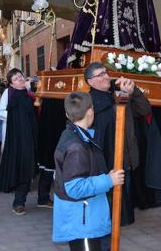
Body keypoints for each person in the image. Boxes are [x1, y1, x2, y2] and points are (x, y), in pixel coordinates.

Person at [84, 62, 161, 228]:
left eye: (106, 73)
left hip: (126, 155)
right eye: (100, 75)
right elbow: (111, 119)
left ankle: (116, 223)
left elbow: (144, 110)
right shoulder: (89, 103)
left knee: (124, 198)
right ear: (90, 81)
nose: (106, 76)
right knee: (109, 202)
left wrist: (134, 91)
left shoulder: (118, 93)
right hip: (105, 161)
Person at [52, 92, 125, 251]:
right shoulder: (76, 146)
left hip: (85, 215)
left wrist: (106, 175)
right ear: (90, 111)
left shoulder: (75, 135)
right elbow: (74, 187)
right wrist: (109, 180)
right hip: (83, 221)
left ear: (67, 113)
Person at [0, 68, 38, 215]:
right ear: (11, 84)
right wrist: (16, 118)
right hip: (16, 137)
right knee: (20, 167)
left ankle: (21, 200)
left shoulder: (30, 94)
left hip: (30, 136)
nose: (19, 79)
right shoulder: (9, 94)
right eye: (15, 78)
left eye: (20, 76)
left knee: (28, 167)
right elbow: (1, 112)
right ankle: (18, 202)